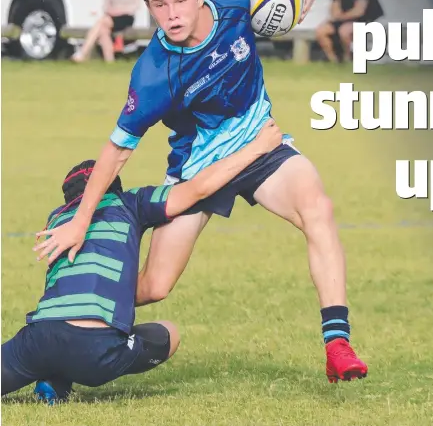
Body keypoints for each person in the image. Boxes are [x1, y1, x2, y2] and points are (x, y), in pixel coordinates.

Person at [35, 0, 368, 383]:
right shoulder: (153, 72)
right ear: (149, 7)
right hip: (197, 172)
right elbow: (117, 150)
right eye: (159, 5)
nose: (171, 14)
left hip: (260, 145)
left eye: (180, 0)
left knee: (318, 209)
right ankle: (66, 335)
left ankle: (337, 343)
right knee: (154, 286)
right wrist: (80, 221)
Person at [4, 121, 282, 402]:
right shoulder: (129, 202)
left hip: (39, 338)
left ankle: (53, 379)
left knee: (54, 344)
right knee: (169, 333)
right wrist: (257, 148)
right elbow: (197, 190)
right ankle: (62, 374)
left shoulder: (58, 219)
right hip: (97, 351)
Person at [71, 0, 140, 63]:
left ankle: (83, 52)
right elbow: (106, 6)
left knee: (101, 22)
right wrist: (113, 10)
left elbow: (135, 6)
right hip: (111, 17)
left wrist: (118, 9)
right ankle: (109, 60)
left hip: (126, 17)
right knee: (103, 30)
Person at [315, 0, 383, 63]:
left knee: (344, 31)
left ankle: (348, 58)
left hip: (362, 20)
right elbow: (334, 12)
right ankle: (333, 59)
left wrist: (341, 16)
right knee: (321, 31)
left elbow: (359, 12)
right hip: (342, 20)